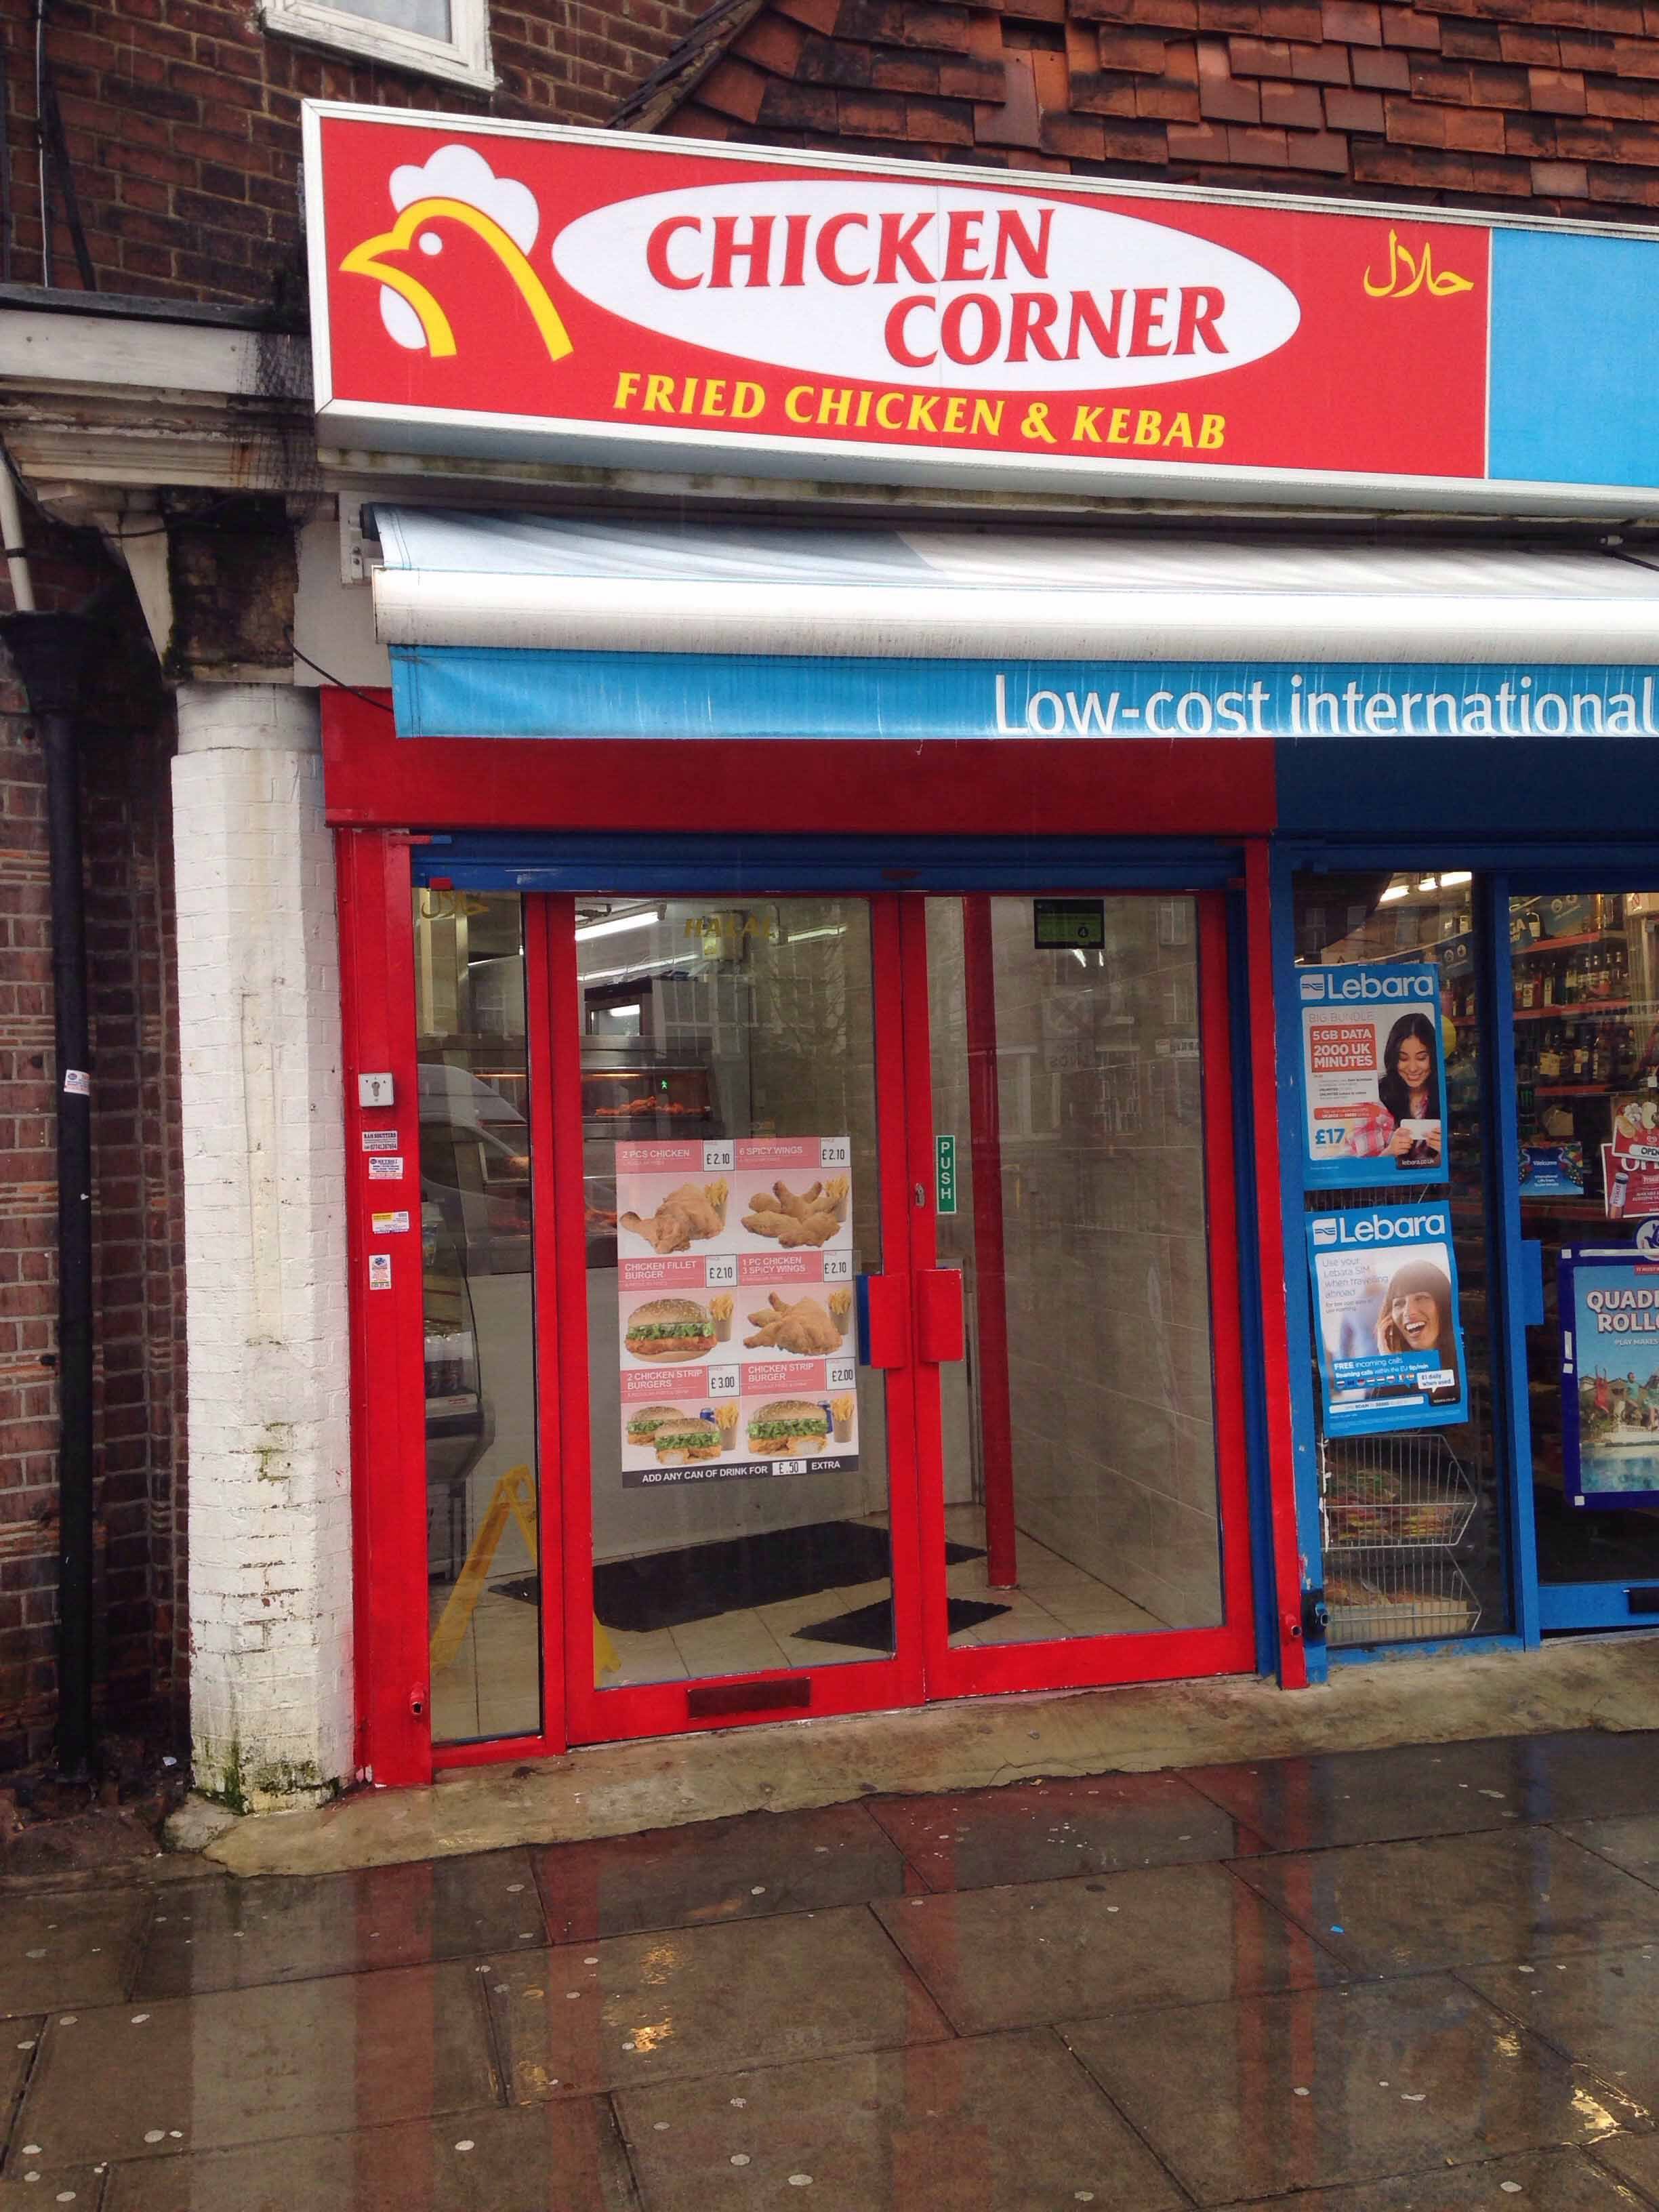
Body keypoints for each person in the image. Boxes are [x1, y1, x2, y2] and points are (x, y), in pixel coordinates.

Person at [1374, 1258, 1459, 1404]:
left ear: (1444, 1306)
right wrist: (1392, 1368)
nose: (1408, 1312)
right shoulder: (1386, 1381)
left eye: (1421, 1298)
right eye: (1399, 1303)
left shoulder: (1468, 1367)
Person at [1378, 1011, 1443, 1162]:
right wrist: (1390, 1152)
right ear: (1393, 1058)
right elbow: (1364, 1172)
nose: (1412, 1068)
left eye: (1421, 1058)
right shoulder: (1378, 1099)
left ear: (1433, 1057)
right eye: (1403, 1058)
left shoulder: (1443, 1095)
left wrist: (1443, 1154)